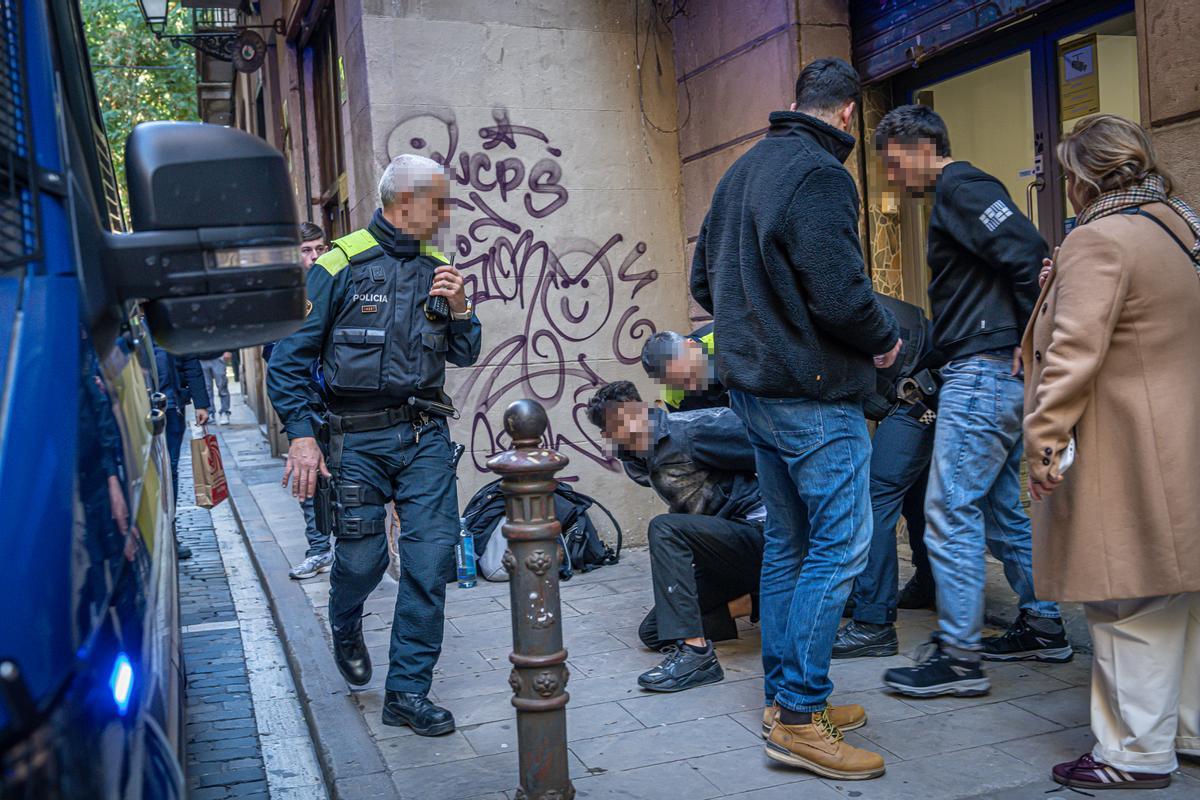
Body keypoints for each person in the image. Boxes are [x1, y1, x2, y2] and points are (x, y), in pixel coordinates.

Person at [691, 57, 900, 780]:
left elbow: (700, 281)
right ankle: (801, 717)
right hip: (810, 397)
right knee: (839, 546)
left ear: (796, 102)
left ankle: (787, 697)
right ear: (848, 113)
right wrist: (886, 339)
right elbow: (843, 295)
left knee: (790, 543)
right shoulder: (819, 174)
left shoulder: (742, 170)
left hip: (756, 389)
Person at [267, 154, 482, 737]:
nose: (443, 214)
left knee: (431, 558)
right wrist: (303, 437)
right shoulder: (339, 264)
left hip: (423, 437)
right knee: (363, 562)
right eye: (435, 202)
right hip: (354, 441)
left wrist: (462, 311)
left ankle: (407, 692)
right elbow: (287, 360)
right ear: (401, 202)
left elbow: (464, 353)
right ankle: (345, 619)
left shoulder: (439, 267)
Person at [1022, 114, 1200, 791]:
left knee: (1125, 602)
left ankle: (1131, 753)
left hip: (1126, 443)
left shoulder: (1099, 239)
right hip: (1179, 439)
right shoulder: (1179, 224)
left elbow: (1072, 354)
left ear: (1082, 178)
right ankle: (1182, 729)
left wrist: (1044, 441)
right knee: (1177, 595)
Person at [871, 105, 1070, 701]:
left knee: (950, 508)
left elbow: (1032, 256)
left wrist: (1027, 340)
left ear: (915, 147)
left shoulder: (963, 185)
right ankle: (1042, 621)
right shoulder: (957, 195)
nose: (891, 179)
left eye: (890, 165)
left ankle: (959, 657)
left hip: (983, 374)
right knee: (998, 511)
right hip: (987, 370)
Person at [586, 380, 763, 693]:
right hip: (725, 551)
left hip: (761, 535)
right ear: (607, 434)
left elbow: (767, 444)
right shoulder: (636, 462)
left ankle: (697, 655)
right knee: (656, 631)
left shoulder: (691, 430)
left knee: (665, 528)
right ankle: (762, 600)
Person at [835, 294, 939, 659]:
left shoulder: (814, 289)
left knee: (876, 496)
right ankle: (929, 583)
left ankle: (873, 622)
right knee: (913, 494)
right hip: (915, 385)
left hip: (917, 392)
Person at [268, 221, 335, 581]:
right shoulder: (284, 298)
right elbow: (275, 359)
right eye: (306, 251)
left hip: (339, 400)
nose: (314, 257)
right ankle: (319, 548)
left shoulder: (337, 284)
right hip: (304, 403)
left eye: (320, 249)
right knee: (310, 480)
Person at [153, 342, 211, 559]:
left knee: (171, 470)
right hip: (139, 412)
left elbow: (189, 360)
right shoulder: (124, 318)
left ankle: (170, 533)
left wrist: (201, 403)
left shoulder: (165, 317)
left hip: (170, 408)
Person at [640, 325, 728, 411]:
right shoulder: (673, 397)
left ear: (692, 345)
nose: (692, 385)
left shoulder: (723, 336)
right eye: (679, 383)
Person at [197, 350, 232, 424]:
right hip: (200, 358)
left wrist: (228, 350)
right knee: (206, 388)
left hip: (218, 356)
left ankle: (225, 411)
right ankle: (209, 412)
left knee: (222, 386)